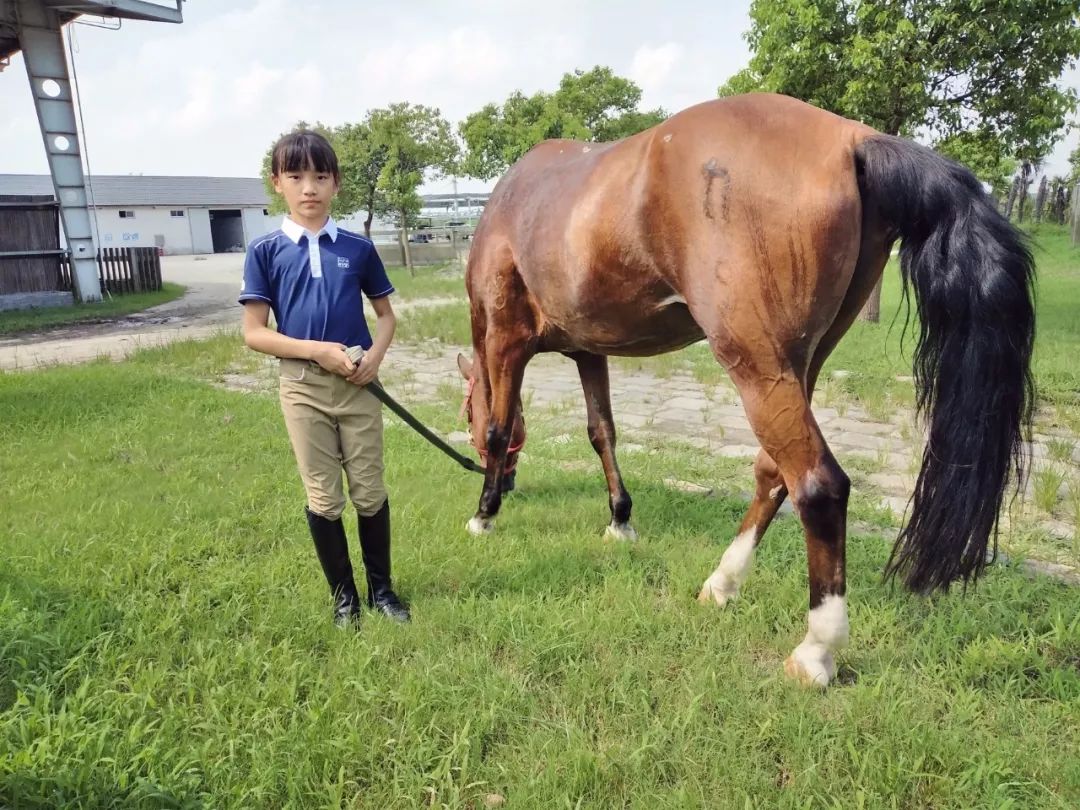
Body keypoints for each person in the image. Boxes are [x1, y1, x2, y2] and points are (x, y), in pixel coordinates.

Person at [239, 130, 409, 627]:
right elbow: (254, 333)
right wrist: (316, 352)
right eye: (295, 176)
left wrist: (374, 357)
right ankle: (345, 598)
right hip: (303, 388)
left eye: (319, 176)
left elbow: (386, 317)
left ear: (335, 183)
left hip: (358, 385)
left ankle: (382, 591)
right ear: (278, 184)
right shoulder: (266, 251)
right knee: (323, 495)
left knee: (369, 490)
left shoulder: (357, 247)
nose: (308, 187)